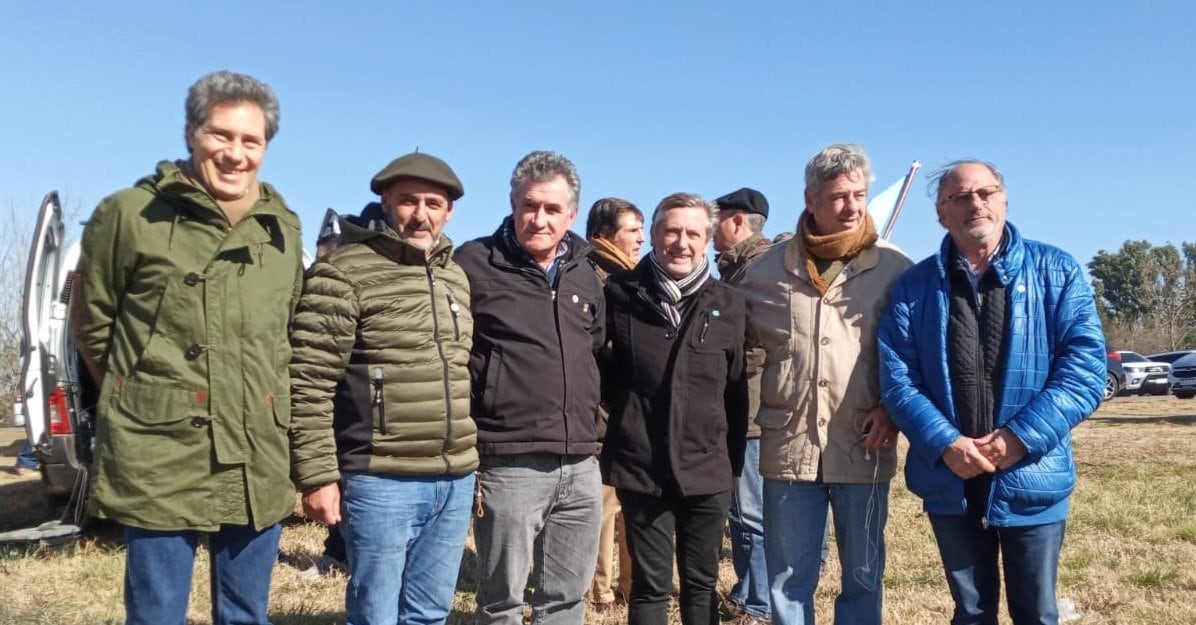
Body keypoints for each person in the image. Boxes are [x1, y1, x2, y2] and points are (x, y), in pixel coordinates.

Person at [71, 71, 302, 625]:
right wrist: (140, 395)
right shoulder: (129, 214)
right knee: (155, 613)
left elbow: (285, 334)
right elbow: (93, 324)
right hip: (160, 450)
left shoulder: (282, 228)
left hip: (256, 449)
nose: (235, 153)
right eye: (221, 135)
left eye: (251, 141)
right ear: (192, 133)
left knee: (248, 613)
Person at [878, 160, 1105, 625]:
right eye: (960, 197)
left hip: (1032, 474)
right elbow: (898, 378)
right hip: (950, 477)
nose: (975, 204)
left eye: (986, 192)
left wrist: (1018, 438)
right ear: (941, 213)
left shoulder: (1057, 271)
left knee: (1037, 612)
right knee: (972, 611)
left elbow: (1084, 370)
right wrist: (945, 443)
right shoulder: (913, 287)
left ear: (1004, 200)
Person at [288, 152, 477, 625]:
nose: (421, 213)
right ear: (386, 202)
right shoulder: (344, 272)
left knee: (430, 613)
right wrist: (316, 475)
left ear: (449, 210)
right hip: (380, 476)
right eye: (408, 200)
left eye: (434, 203)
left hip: (453, 479)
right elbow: (308, 380)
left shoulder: (455, 277)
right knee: (375, 614)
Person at [739, 144, 912, 625]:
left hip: (864, 443)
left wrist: (894, 409)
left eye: (859, 194)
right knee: (788, 578)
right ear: (810, 198)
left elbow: (915, 358)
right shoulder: (763, 274)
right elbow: (735, 353)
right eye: (839, 196)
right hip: (789, 449)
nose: (853, 206)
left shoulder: (898, 271)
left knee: (862, 574)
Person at [455, 150, 605, 625]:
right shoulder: (476, 263)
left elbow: (596, 348)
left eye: (552, 209)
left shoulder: (586, 272)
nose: (539, 219)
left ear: (572, 215)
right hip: (509, 459)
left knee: (566, 598)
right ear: (513, 203)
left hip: (580, 462)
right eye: (529, 206)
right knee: (502, 601)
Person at [601, 192, 749, 625]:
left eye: (693, 233)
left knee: (701, 584)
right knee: (650, 587)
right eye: (672, 231)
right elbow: (607, 378)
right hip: (642, 467)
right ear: (653, 235)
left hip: (708, 468)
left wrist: (731, 463)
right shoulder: (620, 294)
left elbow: (735, 391)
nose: (681, 242)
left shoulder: (729, 303)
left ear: (706, 240)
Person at [712, 187, 774, 625]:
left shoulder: (758, 270)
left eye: (716, 218)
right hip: (740, 409)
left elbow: (758, 344)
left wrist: (715, 360)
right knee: (741, 511)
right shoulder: (739, 269)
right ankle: (747, 590)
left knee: (751, 513)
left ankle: (761, 605)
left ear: (737, 221)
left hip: (752, 410)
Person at [584, 197, 643, 613]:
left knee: (631, 504)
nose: (641, 238)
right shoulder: (595, 278)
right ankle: (600, 591)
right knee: (603, 507)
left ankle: (631, 586)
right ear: (605, 236)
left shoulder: (630, 276)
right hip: (602, 410)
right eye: (632, 230)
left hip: (627, 408)